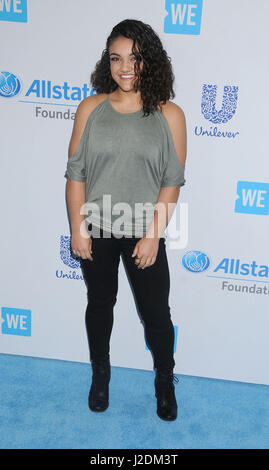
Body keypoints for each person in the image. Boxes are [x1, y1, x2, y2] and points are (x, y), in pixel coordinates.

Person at [64, 19, 187, 421]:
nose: (125, 67)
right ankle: (101, 376)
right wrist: (77, 229)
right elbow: (76, 174)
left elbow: (171, 182)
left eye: (134, 58)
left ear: (149, 60)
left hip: (144, 232)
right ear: (107, 63)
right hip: (97, 227)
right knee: (100, 305)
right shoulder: (91, 108)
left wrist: (153, 237)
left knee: (156, 314)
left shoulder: (170, 115)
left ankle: (164, 381)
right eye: (116, 58)